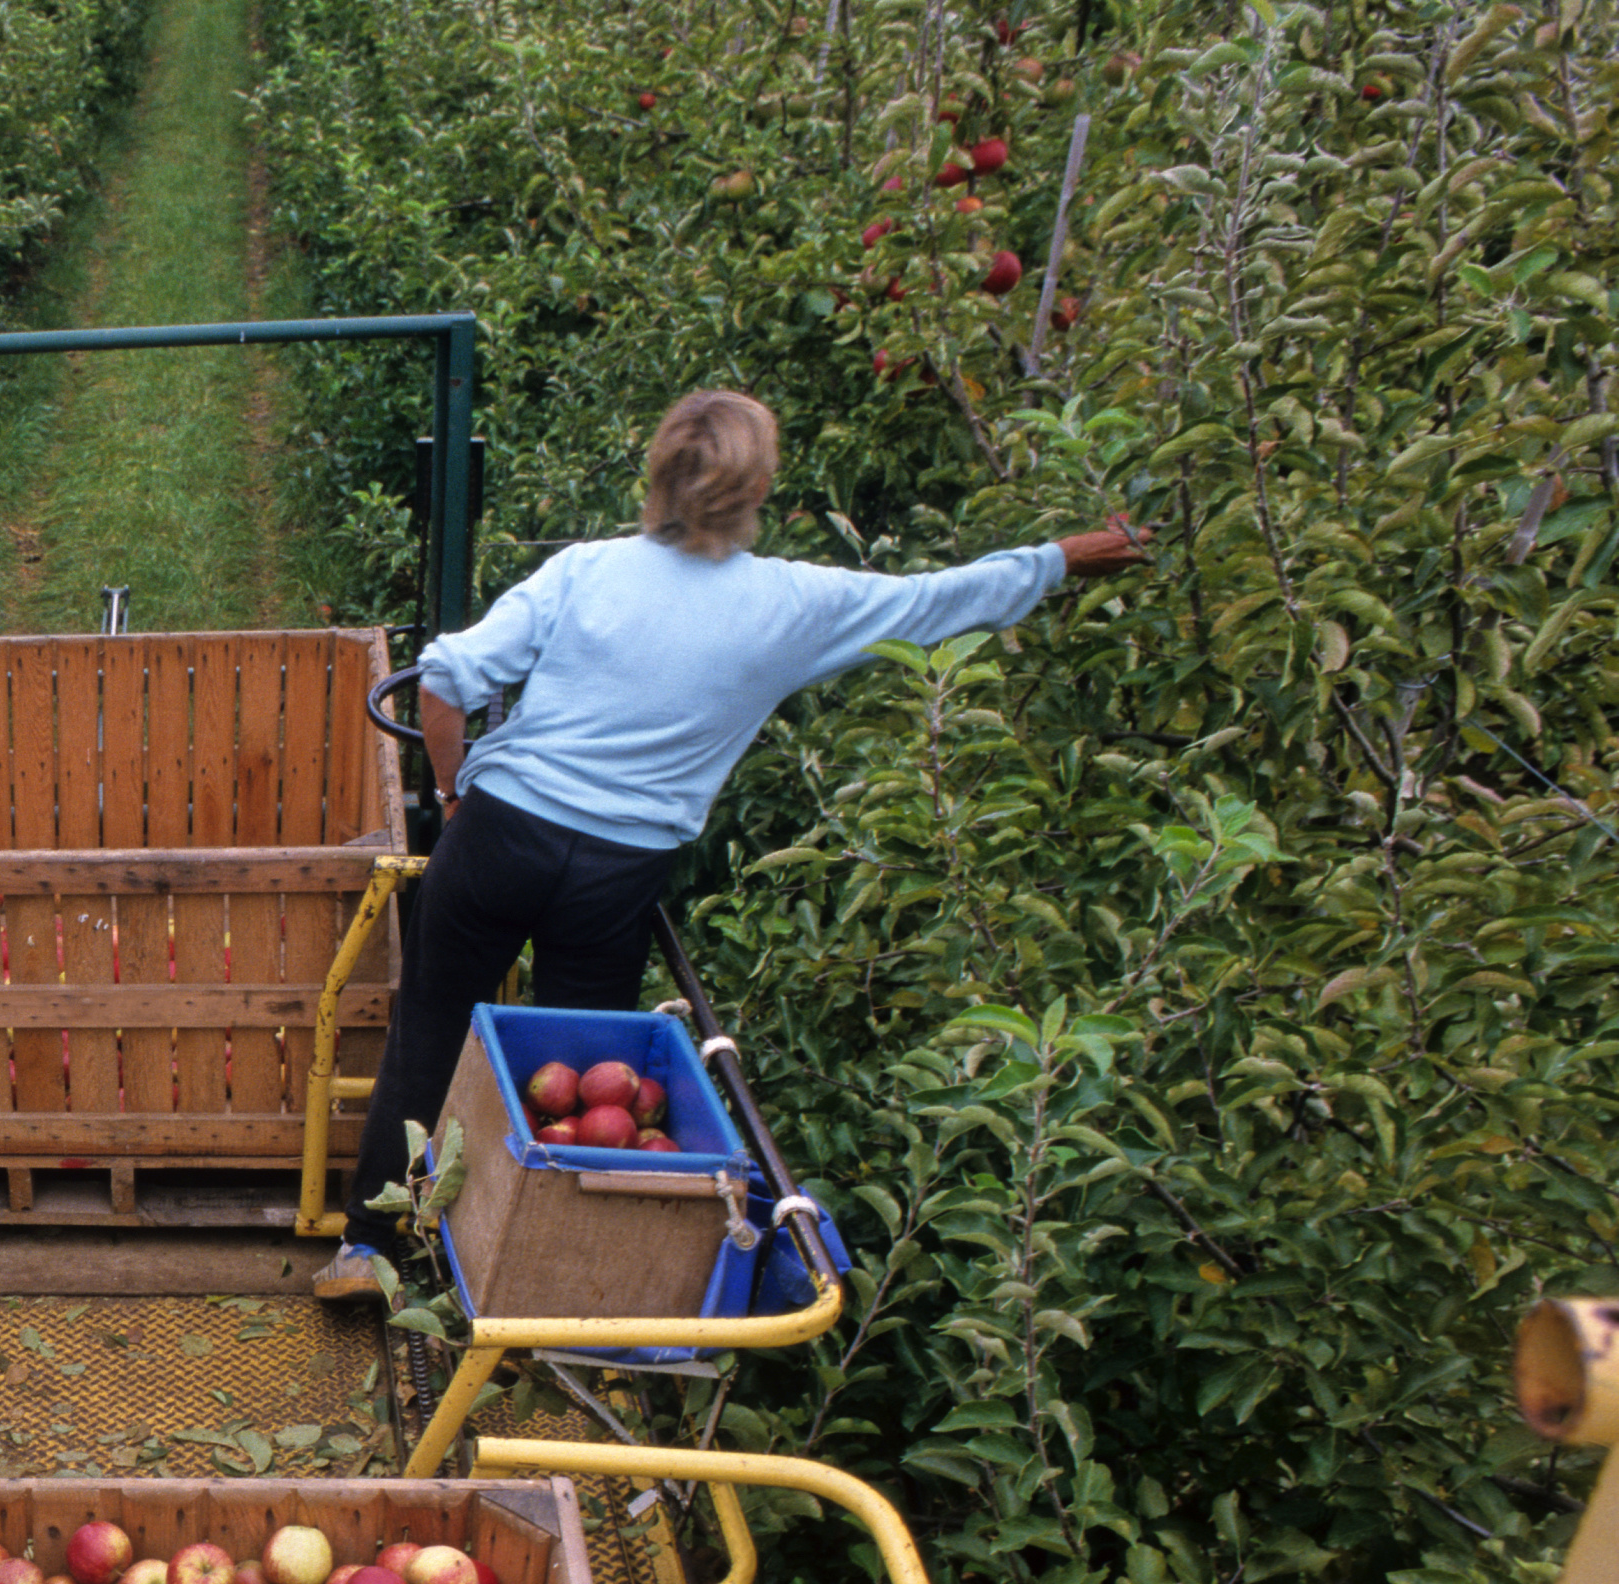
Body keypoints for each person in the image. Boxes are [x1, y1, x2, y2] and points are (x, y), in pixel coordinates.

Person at [316, 387, 1144, 1300]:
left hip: (502, 836)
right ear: (757, 489)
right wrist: (1061, 558)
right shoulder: (792, 603)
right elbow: (939, 602)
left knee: (431, 1030)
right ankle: (520, 1283)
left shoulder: (586, 571)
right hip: (616, 873)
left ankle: (370, 1249)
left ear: (657, 473)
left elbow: (446, 677)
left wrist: (452, 790)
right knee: (587, 1081)